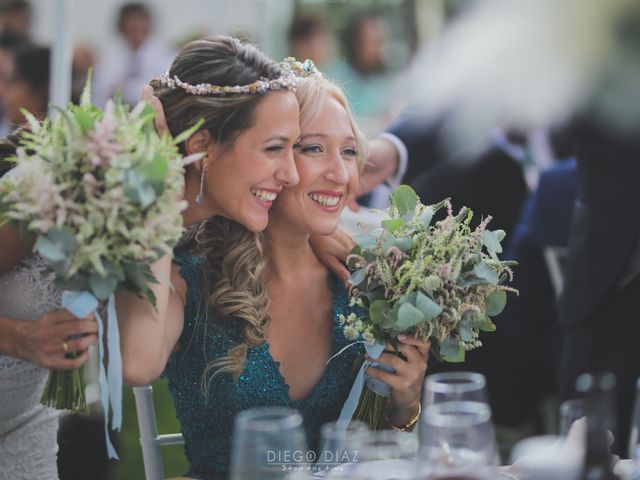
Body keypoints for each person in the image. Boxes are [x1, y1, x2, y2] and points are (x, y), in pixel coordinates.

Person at [132, 64, 428, 479]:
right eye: (312, 148)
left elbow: (378, 458)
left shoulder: (365, 284)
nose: (340, 174)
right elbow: (135, 361)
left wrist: (406, 404)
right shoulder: (188, 283)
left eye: (348, 151)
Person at [0, 130, 99, 480]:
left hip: (25, 420)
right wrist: (20, 338)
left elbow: (138, 364)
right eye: (272, 147)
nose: (283, 172)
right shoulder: (47, 189)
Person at [93, 2, 174, 107]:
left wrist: (125, 90)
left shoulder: (166, 56)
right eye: (131, 24)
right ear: (121, 28)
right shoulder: (110, 60)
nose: (136, 25)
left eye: (141, 21)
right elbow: (99, 94)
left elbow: (162, 91)